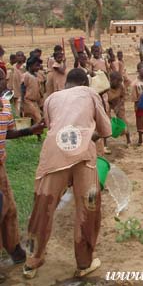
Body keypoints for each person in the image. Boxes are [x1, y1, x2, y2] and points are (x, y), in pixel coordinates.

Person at [23, 68, 111, 279]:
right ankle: (84, 263)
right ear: (84, 83)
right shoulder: (90, 93)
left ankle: (31, 264)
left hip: (54, 155)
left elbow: (54, 125)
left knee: (43, 207)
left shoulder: (52, 98)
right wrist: (92, 134)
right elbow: (106, 130)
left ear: (67, 84)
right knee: (88, 208)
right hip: (84, 159)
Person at [0, 68, 45, 284]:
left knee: (9, 209)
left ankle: (14, 250)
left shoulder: (6, 107)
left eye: (1, 78)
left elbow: (7, 132)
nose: (1, 82)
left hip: (1, 167)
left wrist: (31, 130)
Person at [108, 71, 131, 145]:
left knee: (123, 120)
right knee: (105, 121)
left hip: (118, 102)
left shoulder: (121, 86)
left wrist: (118, 106)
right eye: (117, 81)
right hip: (107, 103)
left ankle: (128, 140)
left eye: (120, 81)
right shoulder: (106, 88)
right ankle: (104, 143)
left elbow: (123, 97)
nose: (119, 83)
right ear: (111, 80)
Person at [21, 56, 44, 125]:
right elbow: (22, 88)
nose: (38, 67)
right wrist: (22, 102)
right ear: (30, 66)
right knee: (38, 118)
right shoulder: (26, 75)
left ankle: (33, 132)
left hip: (35, 101)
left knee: (32, 118)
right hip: (28, 100)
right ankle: (38, 133)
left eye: (39, 65)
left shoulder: (36, 75)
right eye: (36, 65)